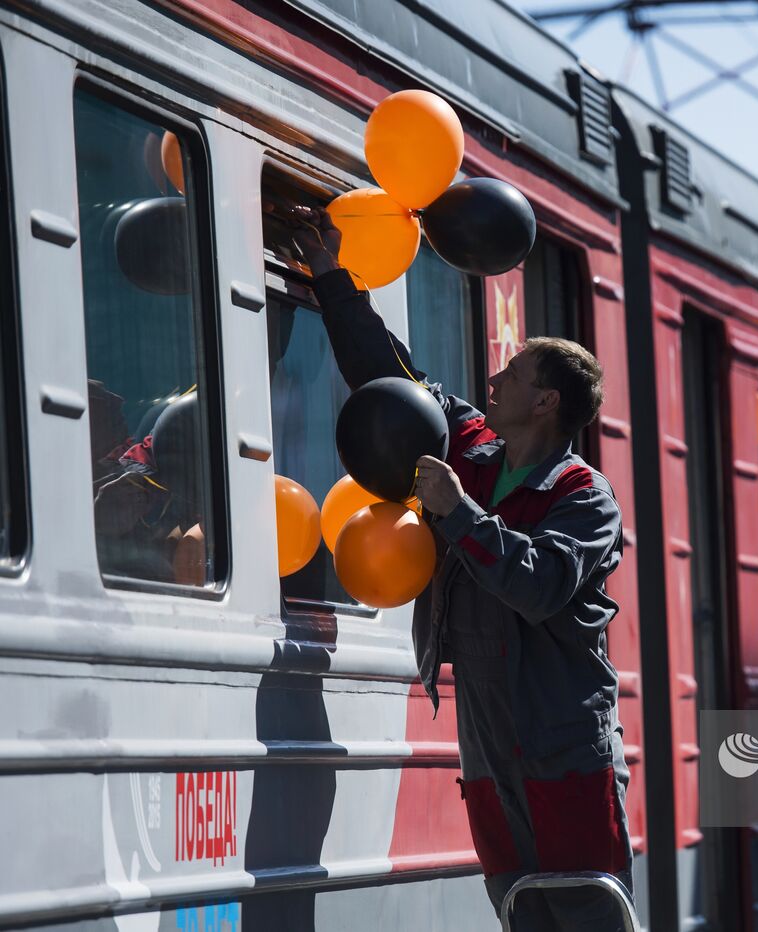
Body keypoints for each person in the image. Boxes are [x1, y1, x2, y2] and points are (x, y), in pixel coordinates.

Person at [291, 207, 632, 930]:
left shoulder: (584, 495)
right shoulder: (472, 448)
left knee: (583, 915)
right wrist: (330, 278)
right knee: (521, 916)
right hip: (487, 749)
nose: (493, 380)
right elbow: (394, 380)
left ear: (546, 401)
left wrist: (458, 514)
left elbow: (539, 585)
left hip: (563, 748)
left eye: (513, 374)